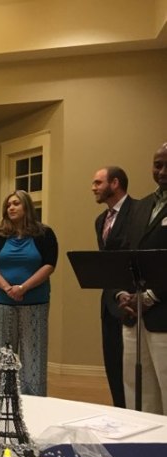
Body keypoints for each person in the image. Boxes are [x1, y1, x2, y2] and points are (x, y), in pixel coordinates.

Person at [0, 190, 58, 396]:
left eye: (16, 203)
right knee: (2, 355)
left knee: (34, 356)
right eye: (8, 205)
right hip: (1, 301)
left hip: (35, 302)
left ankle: (34, 401)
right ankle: (0, 400)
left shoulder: (44, 234)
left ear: (27, 206)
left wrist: (23, 288)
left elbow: (49, 265)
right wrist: (7, 288)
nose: (11, 208)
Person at [118, 143, 167, 414]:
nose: (162, 171)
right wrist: (123, 294)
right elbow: (127, 254)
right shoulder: (141, 206)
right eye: (157, 165)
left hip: (163, 312)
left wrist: (151, 297)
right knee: (137, 392)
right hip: (133, 314)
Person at [92, 166, 134, 408]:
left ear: (115, 183)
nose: (93, 188)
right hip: (109, 302)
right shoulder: (100, 221)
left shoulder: (137, 211)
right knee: (113, 366)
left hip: (133, 303)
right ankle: (120, 412)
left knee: (132, 372)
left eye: (98, 182)